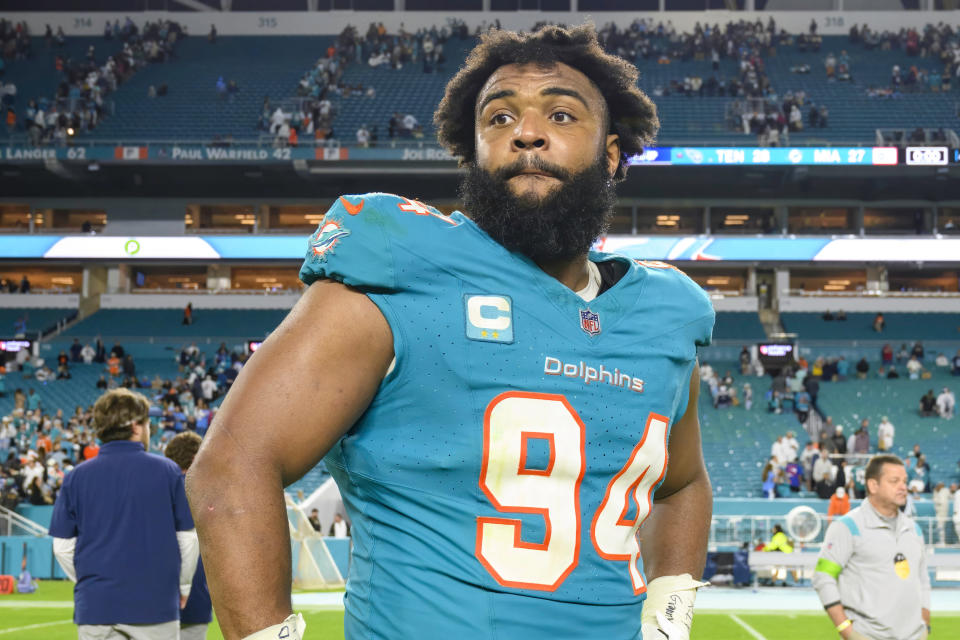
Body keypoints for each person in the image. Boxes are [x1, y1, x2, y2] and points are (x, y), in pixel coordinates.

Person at [188, 24, 715, 640]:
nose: (525, 132)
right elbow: (233, 463)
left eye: (563, 114)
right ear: (472, 152)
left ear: (612, 153)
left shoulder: (663, 312)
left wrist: (669, 611)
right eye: (498, 118)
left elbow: (682, 484)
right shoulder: (400, 266)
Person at [49, 388, 199, 640]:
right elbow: (187, 539)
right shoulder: (168, 472)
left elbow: (62, 548)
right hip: (156, 605)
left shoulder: (75, 477)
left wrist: (92, 581)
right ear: (136, 427)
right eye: (147, 422)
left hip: (96, 608)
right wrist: (183, 586)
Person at [813, 455, 930, 640]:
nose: (903, 487)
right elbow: (823, 576)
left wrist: (925, 624)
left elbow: (922, 579)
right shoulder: (848, 527)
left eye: (904, 481)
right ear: (873, 485)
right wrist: (846, 630)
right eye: (894, 481)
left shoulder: (914, 530)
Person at [165, 431, 212, 640]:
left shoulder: (155, 489)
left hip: (151, 596)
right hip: (194, 593)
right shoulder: (205, 492)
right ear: (195, 457)